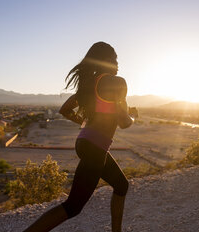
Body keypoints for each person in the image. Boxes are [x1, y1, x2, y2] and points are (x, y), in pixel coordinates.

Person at [23, 41, 137, 232]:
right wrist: (133, 114)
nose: (118, 64)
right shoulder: (117, 82)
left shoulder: (89, 85)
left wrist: (84, 124)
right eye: (115, 59)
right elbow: (124, 122)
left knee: (121, 185)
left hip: (86, 142)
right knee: (73, 206)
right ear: (106, 60)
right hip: (95, 147)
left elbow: (65, 109)